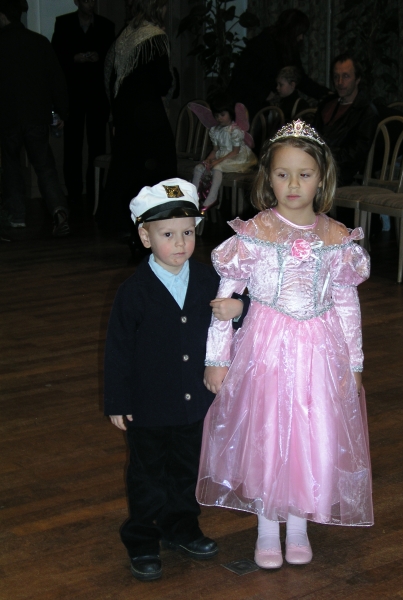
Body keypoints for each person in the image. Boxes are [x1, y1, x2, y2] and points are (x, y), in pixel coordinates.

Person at [196, 120, 373, 570]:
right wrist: (217, 358)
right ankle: (265, 527)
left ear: (322, 178)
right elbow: (226, 298)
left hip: (319, 353)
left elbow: (347, 305)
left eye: (304, 174)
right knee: (268, 432)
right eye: (282, 174)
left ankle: (298, 525)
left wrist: (353, 364)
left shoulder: (336, 238)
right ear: (268, 178)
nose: (293, 185)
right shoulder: (255, 232)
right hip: (266, 351)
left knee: (312, 436)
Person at [104, 178, 248, 581]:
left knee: (186, 470)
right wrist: (117, 401)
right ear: (145, 238)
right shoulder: (133, 292)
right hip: (148, 406)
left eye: (188, 232)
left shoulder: (208, 280)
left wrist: (239, 308)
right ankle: (142, 538)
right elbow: (118, 351)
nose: (180, 243)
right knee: (148, 475)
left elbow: (241, 309)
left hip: (193, 404)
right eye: (168, 234)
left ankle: (181, 527)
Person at [100, 0, 177, 235]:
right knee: (160, 169)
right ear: (157, 7)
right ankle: (162, 222)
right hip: (148, 116)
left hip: (125, 115)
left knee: (125, 168)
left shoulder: (126, 35)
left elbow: (110, 76)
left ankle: (120, 223)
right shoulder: (155, 36)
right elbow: (162, 81)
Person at [0, 0, 70, 236]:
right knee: (45, 167)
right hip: (36, 116)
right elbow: (56, 80)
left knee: (11, 166)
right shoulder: (39, 42)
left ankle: (17, 216)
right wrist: (62, 111)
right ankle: (59, 211)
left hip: (8, 117)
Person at [51, 0, 115, 209]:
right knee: (72, 144)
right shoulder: (64, 23)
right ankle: (74, 191)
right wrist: (74, 58)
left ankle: (96, 190)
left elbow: (112, 59)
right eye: (86, 0)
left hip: (97, 94)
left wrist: (99, 57)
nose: (91, 3)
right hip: (73, 94)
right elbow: (55, 57)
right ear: (77, 1)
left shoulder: (106, 25)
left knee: (97, 144)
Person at [227, 9, 329, 119]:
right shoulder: (263, 44)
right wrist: (264, 93)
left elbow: (300, 78)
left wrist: (325, 95)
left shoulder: (287, 48)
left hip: (259, 105)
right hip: (246, 104)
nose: (301, 38)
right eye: (300, 33)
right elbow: (242, 75)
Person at [313, 53, 379, 186]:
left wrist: (325, 156)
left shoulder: (366, 111)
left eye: (346, 76)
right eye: (336, 77)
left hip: (344, 173)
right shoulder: (327, 105)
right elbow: (313, 135)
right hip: (319, 165)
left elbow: (357, 153)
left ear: (357, 79)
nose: (340, 82)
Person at [192, 97, 257, 212]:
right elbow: (215, 150)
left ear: (230, 114)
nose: (219, 118)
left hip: (237, 157)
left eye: (222, 115)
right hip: (221, 156)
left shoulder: (235, 130)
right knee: (199, 167)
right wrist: (208, 159)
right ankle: (192, 198)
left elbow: (235, 151)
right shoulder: (215, 130)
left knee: (217, 167)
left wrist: (216, 161)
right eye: (216, 115)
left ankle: (212, 198)